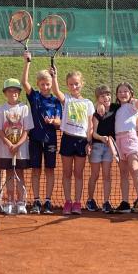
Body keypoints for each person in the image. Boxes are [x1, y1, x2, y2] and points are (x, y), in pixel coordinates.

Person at [21, 52, 62, 214]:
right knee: (36, 170)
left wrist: (53, 122)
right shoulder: (34, 97)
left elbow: (59, 122)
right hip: (35, 139)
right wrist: (27, 62)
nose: (45, 87)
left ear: (51, 84)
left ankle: (48, 201)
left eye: (48, 84)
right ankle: (36, 200)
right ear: (38, 84)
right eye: (42, 84)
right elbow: (24, 82)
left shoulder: (56, 100)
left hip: (50, 139)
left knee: (50, 170)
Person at [53, 68, 95, 215]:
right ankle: (68, 201)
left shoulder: (88, 103)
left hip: (82, 141)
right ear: (67, 85)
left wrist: (89, 143)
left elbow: (90, 125)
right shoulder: (66, 99)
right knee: (66, 173)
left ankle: (77, 202)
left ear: (81, 84)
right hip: (67, 139)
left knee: (78, 174)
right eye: (71, 84)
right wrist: (55, 76)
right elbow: (55, 90)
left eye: (76, 84)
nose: (74, 87)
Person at [0, 78, 34, 215]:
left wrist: (17, 144)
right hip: (5, 149)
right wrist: (9, 144)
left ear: (19, 92)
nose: (13, 93)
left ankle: (21, 202)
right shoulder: (1, 109)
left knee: (20, 175)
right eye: (10, 91)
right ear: (5, 93)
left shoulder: (24, 108)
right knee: (10, 175)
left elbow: (26, 130)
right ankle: (10, 201)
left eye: (16, 90)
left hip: (21, 150)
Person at [116, 79, 138, 214]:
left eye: (125, 91)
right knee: (123, 173)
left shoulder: (133, 106)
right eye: (120, 91)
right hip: (118, 142)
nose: (122, 94)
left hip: (130, 140)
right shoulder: (116, 108)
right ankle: (125, 203)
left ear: (131, 93)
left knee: (135, 169)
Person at [87, 85, 119, 213]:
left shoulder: (115, 108)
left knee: (107, 175)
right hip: (97, 147)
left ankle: (106, 202)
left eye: (107, 95)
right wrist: (102, 138)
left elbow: (128, 101)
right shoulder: (96, 113)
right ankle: (90, 200)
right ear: (98, 98)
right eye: (102, 96)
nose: (106, 97)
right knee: (94, 175)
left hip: (109, 148)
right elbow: (93, 133)